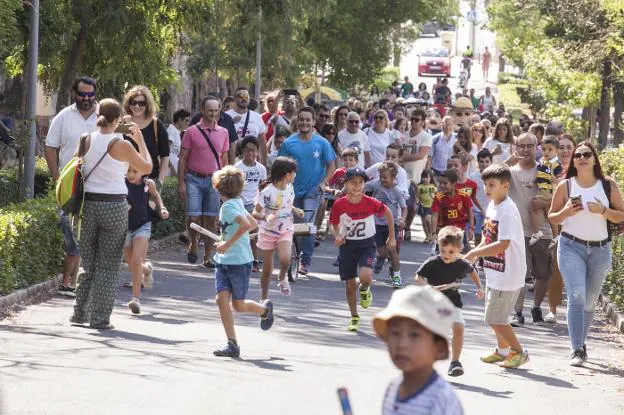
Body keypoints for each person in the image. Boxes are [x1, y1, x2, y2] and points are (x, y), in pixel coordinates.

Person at [70, 98, 152, 329]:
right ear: (117, 120)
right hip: (114, 206)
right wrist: (140, 140)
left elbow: (77, 167)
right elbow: (147, 168)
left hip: (89, 206)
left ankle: (79, 314)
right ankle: (99, 318)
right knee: (108, 264)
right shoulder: (121, 144)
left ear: (98, 116)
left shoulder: (85, 140)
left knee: (88, 262)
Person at [548, 141, 624, 366]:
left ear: (594, 159)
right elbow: (552, 217)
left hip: (600, 249)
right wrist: (565, 211)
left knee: (590, 301)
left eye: (586, 154)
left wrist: (604, 211)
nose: (582, 158)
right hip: (571, 246)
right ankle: (577, 349)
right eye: (578, 155)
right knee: (577, 295)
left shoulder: (607, 185)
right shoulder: (566, 186)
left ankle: (581, 342)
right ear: (573, 161)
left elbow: (621, 215)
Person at [464, 164, 530, 369]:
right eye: (485, 184)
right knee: (494, 314)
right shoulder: (493, 205)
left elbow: (503, 244)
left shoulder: (508, 210)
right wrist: (474, 253)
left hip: (508, 273)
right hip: (495, 271)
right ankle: (502, 350)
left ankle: (519, 352)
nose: (487, 189)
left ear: (505, 186)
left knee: (495, 318)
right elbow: (488, 236)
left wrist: (475, 252)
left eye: (492, 184)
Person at [211, 166, 274, 358]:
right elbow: (252, 224)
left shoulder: (229, 206)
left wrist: (227, 243)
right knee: (221, 299)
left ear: (218, 188)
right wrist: (226, 240)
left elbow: (247, 225)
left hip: (238, 261)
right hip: (224, 261)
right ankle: (232, 343)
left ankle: (264, 310)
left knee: (237, 305)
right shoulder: (237, 202)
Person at [45, 76, 98, 297]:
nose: (85, 98)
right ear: (74, 94)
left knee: (86, 235)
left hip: (97, 184)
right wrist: (58, 178)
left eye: (89, 94)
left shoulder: (104, 116)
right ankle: (68, 281)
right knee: (71, 230)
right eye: (81, 94)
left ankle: (73, 282)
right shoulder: (63, 117)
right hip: (70, 185)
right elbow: (50, 148)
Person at [373, 285, 464, 415]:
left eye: (414, 335)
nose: (401, 344)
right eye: (395, 333)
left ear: (439, 349)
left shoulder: (439, 399)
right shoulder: (393, 388)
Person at [330, 167, 395, 331]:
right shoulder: (340, 204)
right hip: (348, 246)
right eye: (353, 182)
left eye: (361, 183)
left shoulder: (370, 202)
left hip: (366, 244)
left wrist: (392, 236)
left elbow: (388, 213)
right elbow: (333, 223)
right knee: (350, 284)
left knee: (365, 276)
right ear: (345, 184)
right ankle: (354, 317)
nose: (357, 186)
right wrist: (337, 235)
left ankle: (365, 289)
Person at [416, 226, 484, 376]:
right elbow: (418, 277)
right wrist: (427, 287)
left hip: (453, 302)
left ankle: (455, 363)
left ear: (459, 249)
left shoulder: (461, 264)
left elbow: (472, 271)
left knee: (459, 328)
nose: (446, 255)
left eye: (451, 252)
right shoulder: (432, 262)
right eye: (443, 250)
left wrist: (480, 288)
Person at [505, 133, 555, 327]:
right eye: (521, 146)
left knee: (544, 274)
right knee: (519, 274)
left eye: (529, 146)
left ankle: (535, 307)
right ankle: (517, 312)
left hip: (542, 231)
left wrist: (543, 200)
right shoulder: (509, 172)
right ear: (516, 148)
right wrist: (509, 159)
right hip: (517, 232)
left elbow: (557, 196)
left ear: (537, 148)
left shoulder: (544, 170)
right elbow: (489, 173)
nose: (525, 150)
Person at [278, 106, 336, 275]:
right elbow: (281, 165)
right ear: (298, 120)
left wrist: (324, 182)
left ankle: (305, 261)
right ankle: (292, 257)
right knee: (294, 226)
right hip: (293, 190)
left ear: (313, 121)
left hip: (313, 190)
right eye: (302, 119)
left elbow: (331, 165)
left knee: (308, 224)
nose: (304, 122)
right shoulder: (289, 143)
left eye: (308, 120)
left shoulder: (322, 142)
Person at [178, 96, 230, 267]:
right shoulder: (192, 131)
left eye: (216, 110)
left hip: (214, 180)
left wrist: (226, 183)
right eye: (210, 110)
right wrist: (181, 183)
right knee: (193, 217)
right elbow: (183, 159)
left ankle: (208, 256)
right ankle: (193, 242)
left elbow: (224, 159)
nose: (213, 114)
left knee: (212, 220)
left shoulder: (223, 132)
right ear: (202, 110)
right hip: (193, 179)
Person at [255, 157, 303, 299]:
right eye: (294, 172)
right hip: (268, 231)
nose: (295, 175)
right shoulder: (267, 192)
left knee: (285, 259)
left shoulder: (290, 188)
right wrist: (265, 217)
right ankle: (264, 297)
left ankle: (282, 278)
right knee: (267, 270)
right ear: (287, 174)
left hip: (285, 229)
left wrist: (295, 210)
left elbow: (287, 204)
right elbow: (255, 212)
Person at [123, 165, 169, 314]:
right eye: (129, 170)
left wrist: (161, 208)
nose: (131, 174)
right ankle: (146, 270)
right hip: (125, 227)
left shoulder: (148, 184)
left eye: (134, 170)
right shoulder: (121, 182)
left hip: (143, 224)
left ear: (144, 171)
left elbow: (156, 196)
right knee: (132, 264)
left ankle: (135, 299)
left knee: (136, 260)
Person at [545, 134, 575, 323]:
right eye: (561, 147)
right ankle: (552, 310)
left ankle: (575, 310)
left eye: (568, 147)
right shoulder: (549, 170)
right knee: (555, 270)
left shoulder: (581, 172)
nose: (565, 151)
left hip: (578, 227)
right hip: (554, 225)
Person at [366, 161, 407, 288]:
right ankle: (381, 258)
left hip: (391, 224)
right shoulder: (375, 185)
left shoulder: (397, 192)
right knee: (383, 252)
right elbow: (363, 186)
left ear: (394, 178)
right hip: (376, 224)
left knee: (392, 250)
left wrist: (402, 220)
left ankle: (397, 276)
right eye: (381, 176)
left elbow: (404, 208)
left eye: (385, 177)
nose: (382, 179)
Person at [122, 85, 170, 186]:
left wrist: (159, 182)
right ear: (128, 103)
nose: (137, 106)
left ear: (147, 105)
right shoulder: (122, 124)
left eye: (141, 103)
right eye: (133, 102)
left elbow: (165, 156)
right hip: (124, 181)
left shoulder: (156, 125)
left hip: (149, 182)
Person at [235, 136, 267, 272]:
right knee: (240, 233)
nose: (251, 153)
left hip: (254, 204)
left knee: (254, 232)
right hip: (240, 204)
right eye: (247, 150)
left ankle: (254, 261)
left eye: (253, 151)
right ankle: (239, 259)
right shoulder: (237, 168)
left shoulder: (261, 168)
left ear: (258, 152)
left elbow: (263, 186)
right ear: (242, 152)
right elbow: (234, 188)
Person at [529, 136, 562, 245]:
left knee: (535, 208)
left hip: (549, 191)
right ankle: (552, 235)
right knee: (545, 212)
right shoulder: (542, 161)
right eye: (544, 149)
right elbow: (540, 175)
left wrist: (557, 179)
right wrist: (533, 183)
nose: (546, 152)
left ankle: (540, 232)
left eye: (550, 149)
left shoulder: (556, 163)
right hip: (541, 190)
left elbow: (561, 177)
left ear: (556, 150)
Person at [432, 169, 474, 249]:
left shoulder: (463, 196)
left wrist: (471, 228)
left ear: (454, 184)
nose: (441, 185)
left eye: (445, 183)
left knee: (463, 257)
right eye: (440, 183)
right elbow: (434, 216)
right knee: (441, 256)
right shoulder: (438, 198)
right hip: (444, 232)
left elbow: (470, 212)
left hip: (460, 232)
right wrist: (434, 233)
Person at [226, 87, 267, 163]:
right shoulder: (226, 116)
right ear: (234, 99)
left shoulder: (256, 116)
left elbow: (262, 142)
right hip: (233, 159)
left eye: (246, 96)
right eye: (240, 96)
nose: (243, 98)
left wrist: (264, 163)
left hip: (253, 160)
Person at [470, 149, 493, 247]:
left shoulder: (495, 177)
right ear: (478, 162)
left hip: (491, 211)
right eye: (482, 162)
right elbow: (472, 196)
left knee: (490, 236)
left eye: (487, 161)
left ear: (491, 162)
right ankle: (477, 258)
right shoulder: (473, 177)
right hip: (477, 211)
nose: (484, 164)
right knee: (478, 235)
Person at [167, 109, 190, 176]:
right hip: (169, 168)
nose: (188, 123)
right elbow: (165, 152)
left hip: (174, 165)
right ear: (180, 119)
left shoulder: (176, 132)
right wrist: (172, 169)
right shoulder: (171, 131)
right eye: (186, 120)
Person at [417, 169, 437, 243]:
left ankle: (432, 234)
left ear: (430, 178)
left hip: (431, 206)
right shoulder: (420, 187)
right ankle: (427, 235)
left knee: (428, 219)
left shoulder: (433, 187)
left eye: (427, 177)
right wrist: (417, 202)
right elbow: (417, 196)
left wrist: (434, 198)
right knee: (424, 223)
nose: (425, 179)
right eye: (423, 177)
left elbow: (437, 195)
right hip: (422, 206)